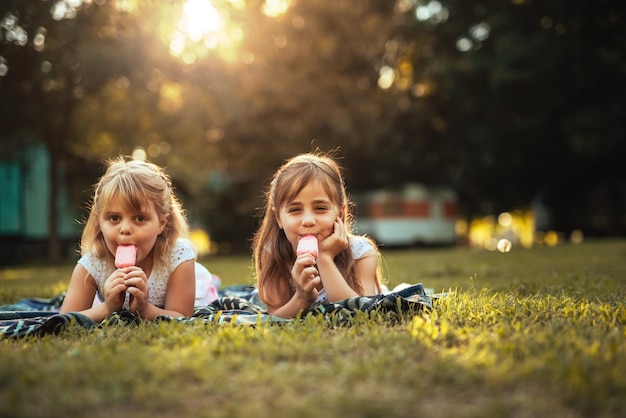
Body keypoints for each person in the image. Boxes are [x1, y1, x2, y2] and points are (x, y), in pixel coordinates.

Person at [60, 156, 198, 321]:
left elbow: (182, 316)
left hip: (185, 278)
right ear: (99, 222)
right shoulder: (92, 265)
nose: (125, 229)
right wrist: (106, 308)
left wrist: (145, 309)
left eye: (139, 218)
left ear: (161, 223)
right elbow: (65, 319)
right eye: (114, 218)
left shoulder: (178, 258)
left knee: (203, 287)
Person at [252, 151, 384, 318]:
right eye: (295, 210)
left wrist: (324, 258)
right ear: (279, 217)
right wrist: (301, 298)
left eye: (320, 208)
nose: (308, 220)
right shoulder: (273, 252)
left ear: (340, 213)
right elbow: (275, 317)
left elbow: (360, 314)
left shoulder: (362, 253)